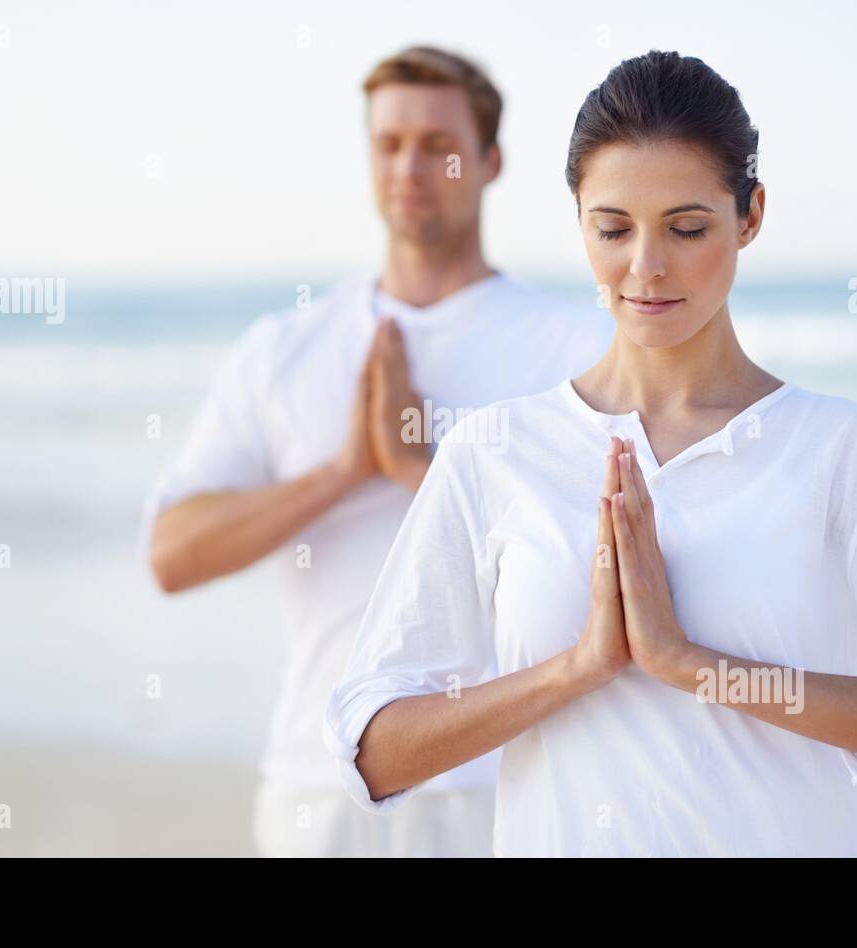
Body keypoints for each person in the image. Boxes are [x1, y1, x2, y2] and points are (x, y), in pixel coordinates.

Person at [324, 49, 857, 857]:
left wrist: (697, 666)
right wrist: (577, 668)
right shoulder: (495, 453)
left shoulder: (843, 451)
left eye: (687, 228)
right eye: (613, 229)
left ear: (749, 216)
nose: (644, 268)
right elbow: (374, 748)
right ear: (579, 221)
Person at [141, 46, 610, 857]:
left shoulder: (571, 347)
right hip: (316, 790)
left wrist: (414, 471)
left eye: (438, 144)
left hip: (508, 786)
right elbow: (172, 556)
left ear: (490, 161)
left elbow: (603, 574)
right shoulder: (286, 348)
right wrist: (343, 470)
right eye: (389, 144)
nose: (411, 166)